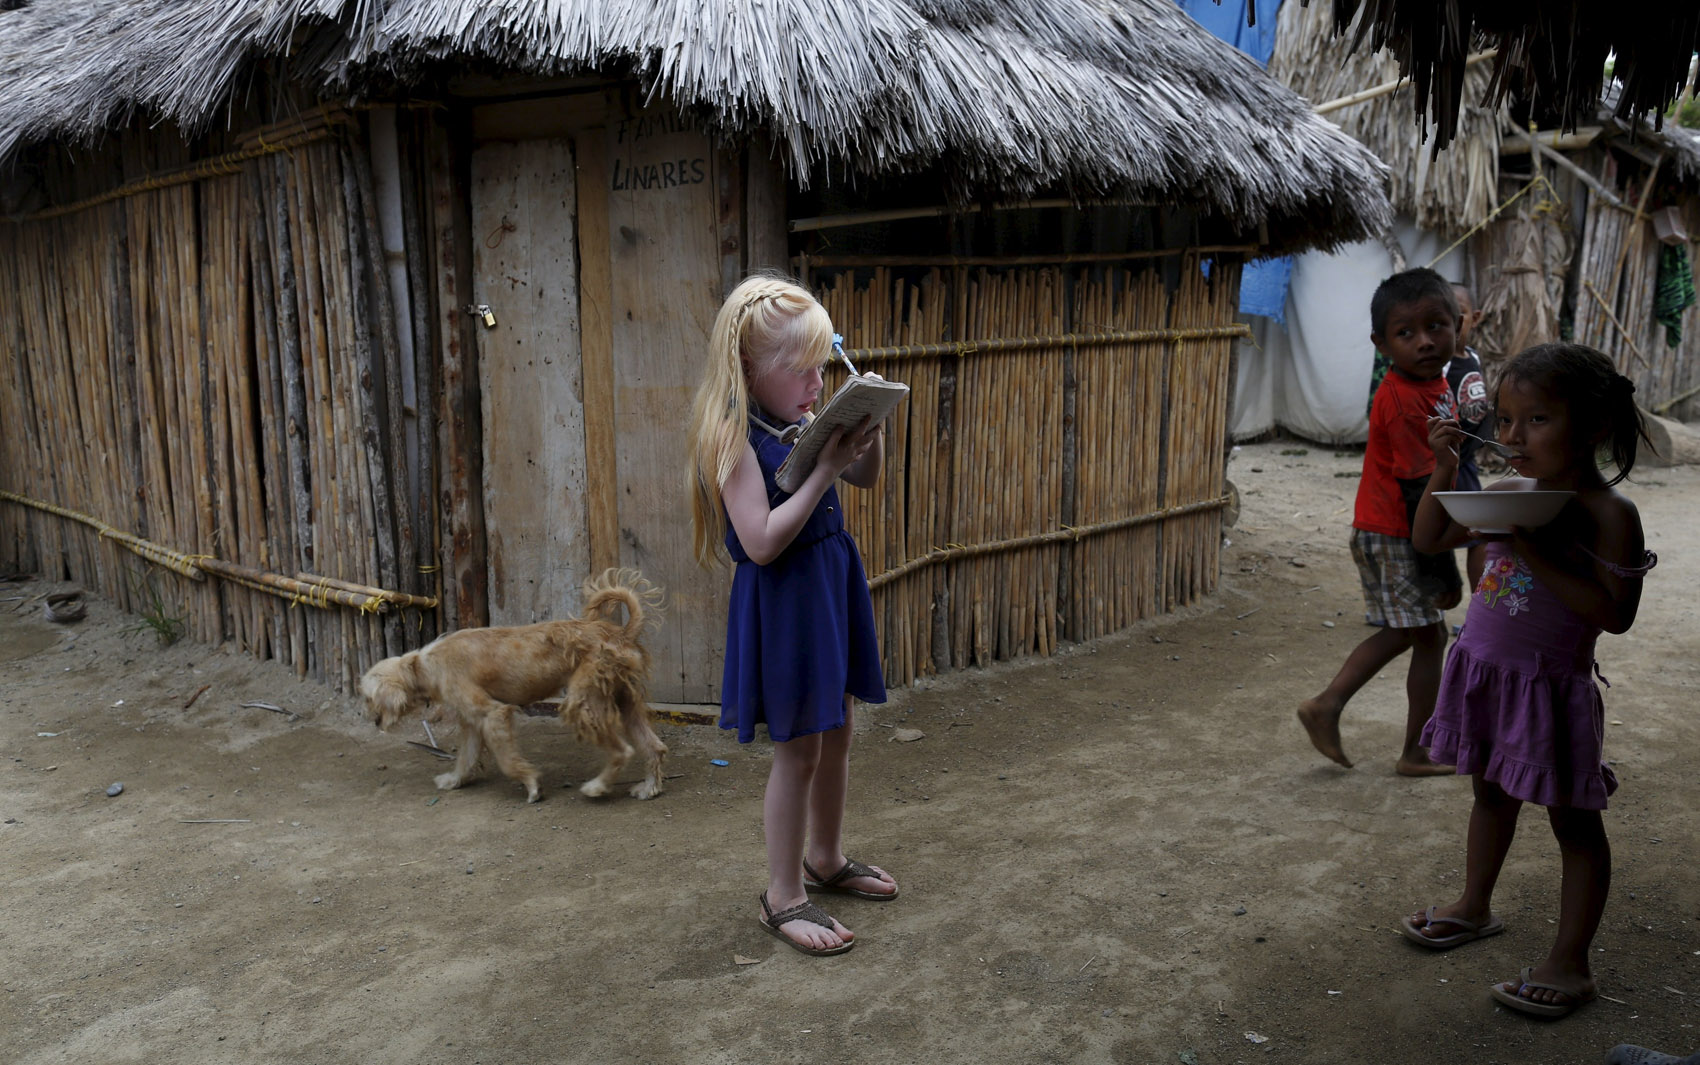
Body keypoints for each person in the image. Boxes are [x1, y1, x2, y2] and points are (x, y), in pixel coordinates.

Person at [1400, 342, 1656, 1020]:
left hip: (1548, 689)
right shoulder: (1511, 491)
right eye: (1505, 420)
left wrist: (1537, 552)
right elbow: (1430, 538)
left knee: (1575, 823)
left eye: (1536, 420)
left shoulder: (1608, 515)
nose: (1513, 436)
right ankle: (1474, 904)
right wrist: (1444, 465)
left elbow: (1615, 615)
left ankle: (1571, 962)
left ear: (1593, 426)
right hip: (1484, 675)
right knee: (1489, 793)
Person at [686, 274, 898, 957]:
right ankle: (781, 894)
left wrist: (868, 427)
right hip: (785, 602)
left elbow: (866, 476)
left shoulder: (802, 421)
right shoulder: (732, 439)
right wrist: (824, 471)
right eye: (799, 368)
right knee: (799, 746)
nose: (815, 381)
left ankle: (826, 856)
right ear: (749, 368)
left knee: (838, 728)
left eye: (821, 366)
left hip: (829, 584)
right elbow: (761, 540)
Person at [1299, 267, 1462, 775]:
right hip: (1397, 531)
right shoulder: (1404, 401)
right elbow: (1420, 494)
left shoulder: (1434, 384)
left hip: (1393, 529)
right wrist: (1443, 571)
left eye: (1436, 326)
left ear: (1459, 322)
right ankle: (1406, 747)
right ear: (1381, 343)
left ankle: (1338, 709)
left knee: (1418, 634)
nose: (1425, 342)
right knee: (1423, 635)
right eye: (1406, 333)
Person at [1446, 283, 1492, 590]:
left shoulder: (1472, 357)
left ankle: (1479, 610)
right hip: (1447, 465)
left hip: (1467, 464)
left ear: (1474, 318)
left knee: (1480, 534)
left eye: (1458, 314)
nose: (1452, 323)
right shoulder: (1439, 366)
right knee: (1474, 532)